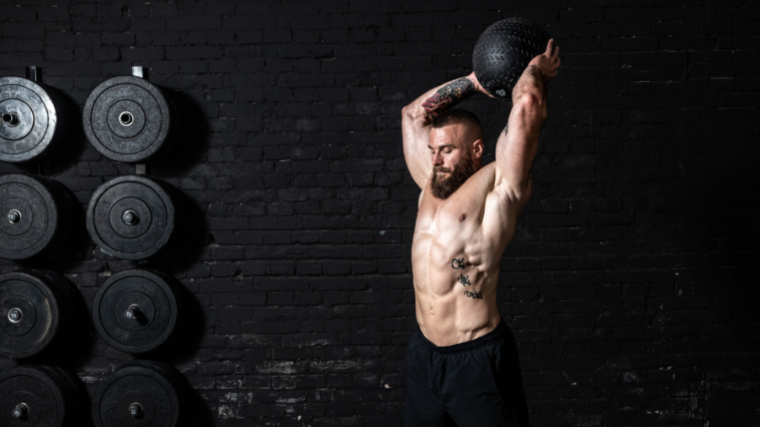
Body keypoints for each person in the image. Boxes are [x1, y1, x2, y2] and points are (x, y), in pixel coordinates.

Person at [400, 39, 560, 426]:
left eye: (447, 151)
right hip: (424, 358)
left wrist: (534, 70)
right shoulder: (429, 183)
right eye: (433, 150)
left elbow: (525, 109)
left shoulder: (501, 187)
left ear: (475, 150)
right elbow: (411, 116)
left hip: (477, 360)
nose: (434, 159)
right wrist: (475, 80)